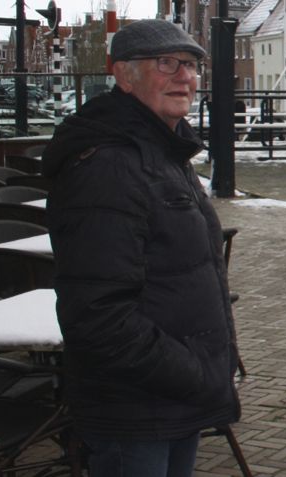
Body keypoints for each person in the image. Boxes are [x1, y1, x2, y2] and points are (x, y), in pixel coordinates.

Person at [42, 20, 240, 476]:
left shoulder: (160, 151)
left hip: (169, 401)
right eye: (165, 63)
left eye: (190, 65)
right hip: (137, 411)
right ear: (123, 76)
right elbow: (99, 316)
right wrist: (192, 372)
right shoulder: (109, 165)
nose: (184, 77)